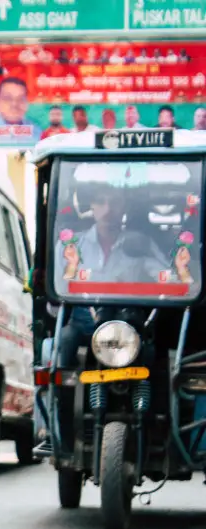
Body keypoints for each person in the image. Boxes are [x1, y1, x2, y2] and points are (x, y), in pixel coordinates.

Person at [37, 187, 168, 454]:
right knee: (60, 346)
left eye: (115, 202)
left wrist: (169, 280)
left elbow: (170, 279)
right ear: (92, 206)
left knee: (158, 357)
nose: (108, 210)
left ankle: (158, 432)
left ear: (124, 207)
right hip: (85, 328)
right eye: (101, 202)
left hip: (128, 330)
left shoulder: (140, 244)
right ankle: (59, 433)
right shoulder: (72, 246)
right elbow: (55, 294)